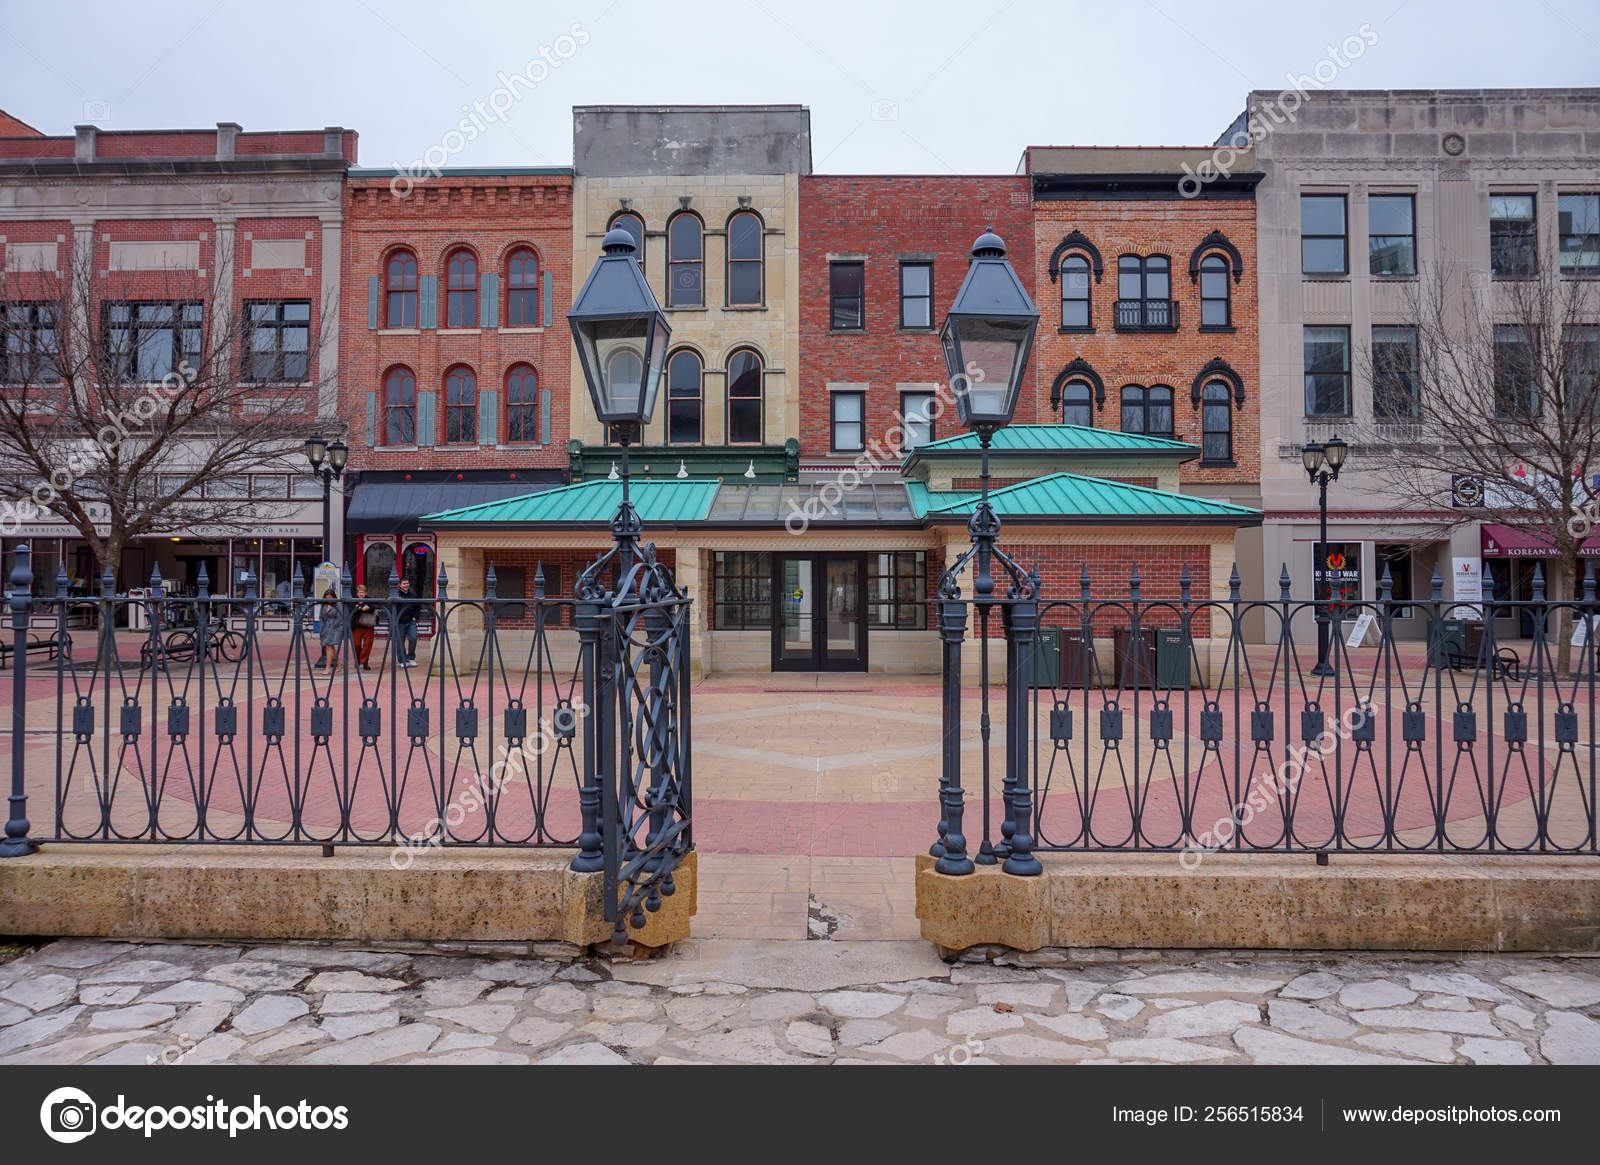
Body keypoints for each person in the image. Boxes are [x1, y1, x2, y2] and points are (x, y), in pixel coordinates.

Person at [394, 577, 421, 667]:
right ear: (400, 585)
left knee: (413, 638)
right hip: (400, 622)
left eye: (407, 583)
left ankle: (411, 658)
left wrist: (415, 617)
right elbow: (391, 607)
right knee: (400, 642)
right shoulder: (396, 594)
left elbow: (418, 606)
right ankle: (402, 660)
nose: (406, 585)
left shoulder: (413, 594)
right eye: (404, 584)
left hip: (411, 621)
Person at [314, 587, 344, 669]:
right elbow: (321, 616)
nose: (328, 600)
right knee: (331, 647)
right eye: (327, 598)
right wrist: (322, 626)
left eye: (330, 598)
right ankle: (339, 664)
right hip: (325, 628)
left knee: (328, 647)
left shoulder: (338, 604)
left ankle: (328, 667)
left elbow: (340, 617)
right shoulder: (324, 605)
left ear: (334, 597)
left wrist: (333, 625)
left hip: (334, 628)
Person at [350, 584, 377, 670]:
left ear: (366, 593)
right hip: (357, 626)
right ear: (357, 593)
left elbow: (373, 607)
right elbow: (352, 611)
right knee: (356, 645)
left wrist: (361, 608)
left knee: (367, 645)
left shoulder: (369, 600)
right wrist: (362, 608)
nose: (361, 594)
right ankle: (357, 661)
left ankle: (365, 662)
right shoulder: (353, 600)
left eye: (363, 592)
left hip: (368, 626)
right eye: (359, 592)